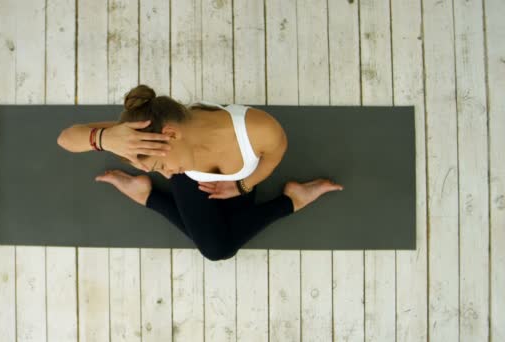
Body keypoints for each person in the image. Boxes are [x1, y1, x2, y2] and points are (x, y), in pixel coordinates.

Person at [58, 84, 344, 261]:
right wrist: (106, 138)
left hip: (237, 178)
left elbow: (273, 156)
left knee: (222, 238)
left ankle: (146, 195)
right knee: (218, 249)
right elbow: (66, 139)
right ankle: (292, 199)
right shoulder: (146, 138)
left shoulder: (259, 131)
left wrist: (244, 185)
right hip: (195, 182)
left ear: (170, 134)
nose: (167, 175)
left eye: (160, 167)